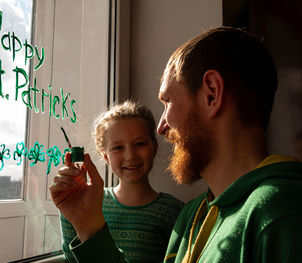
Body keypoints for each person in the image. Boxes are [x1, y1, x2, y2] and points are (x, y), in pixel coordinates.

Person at [50, 26, 302, 263]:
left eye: (167, 101)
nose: (161, 127)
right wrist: (87, 224)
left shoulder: (283, 213)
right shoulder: (191, 216)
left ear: (211, 94)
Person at [52, 100, 184, 262]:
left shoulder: (175, 212)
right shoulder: (90, 202)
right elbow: (73, 260)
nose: (130, 156)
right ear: (105, 155)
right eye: (118, 147)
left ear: (154, 147)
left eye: (140, 144)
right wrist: (73, 214)